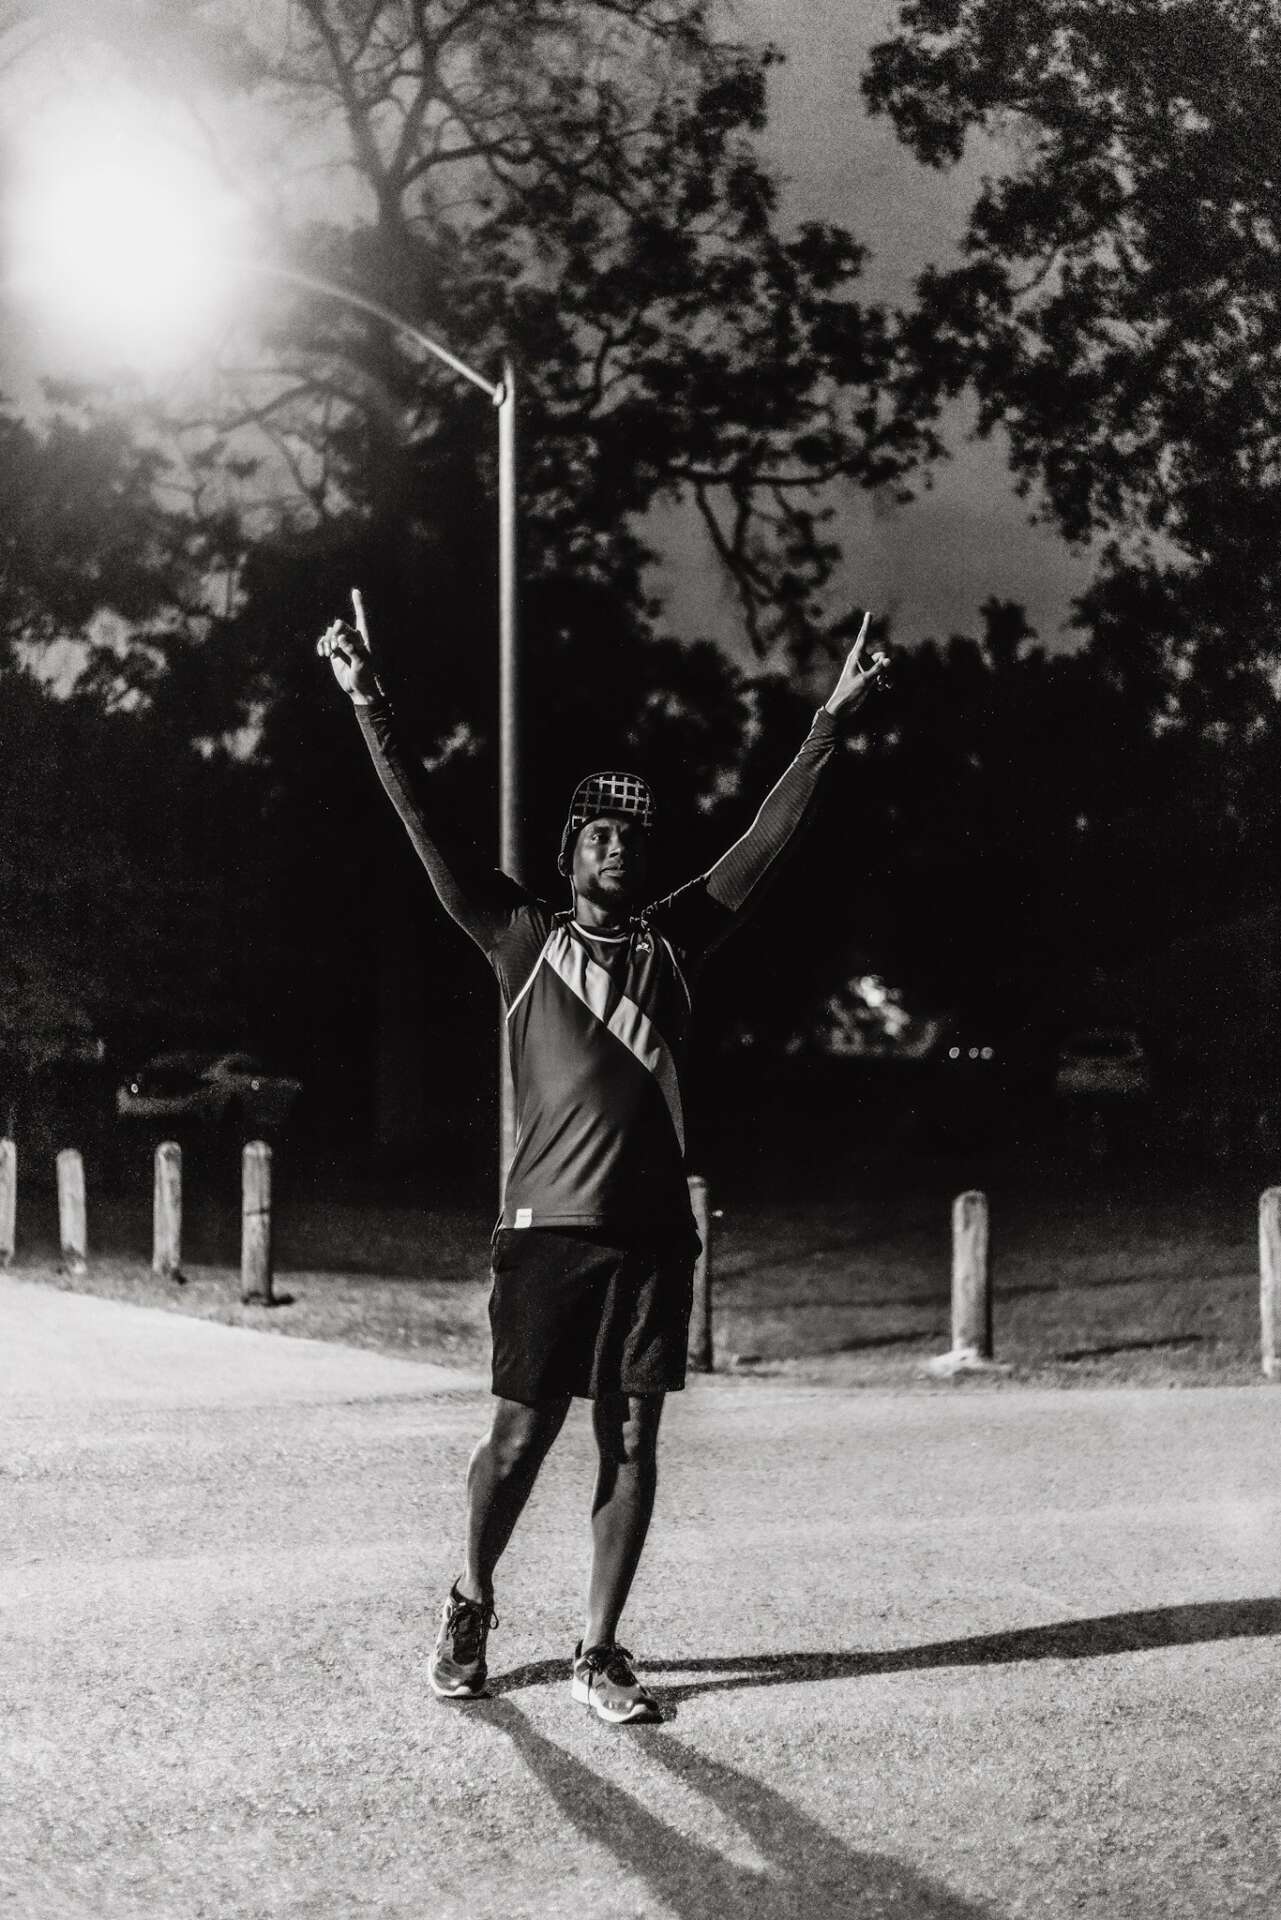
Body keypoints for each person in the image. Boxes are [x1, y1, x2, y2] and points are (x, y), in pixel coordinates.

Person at [317, 591, 889, 1722]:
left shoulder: (678, 942)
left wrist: (830, 719)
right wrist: (369, 700)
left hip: (652, 1235)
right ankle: (471, 1599)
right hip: (546, 1233)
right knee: (521, 1436)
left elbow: (766, 837)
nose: (617, 847)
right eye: (598, 835)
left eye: (631, 837)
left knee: (631, 1437)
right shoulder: (519, 936)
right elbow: (426, 825)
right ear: (570, 853)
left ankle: (599, 1648)